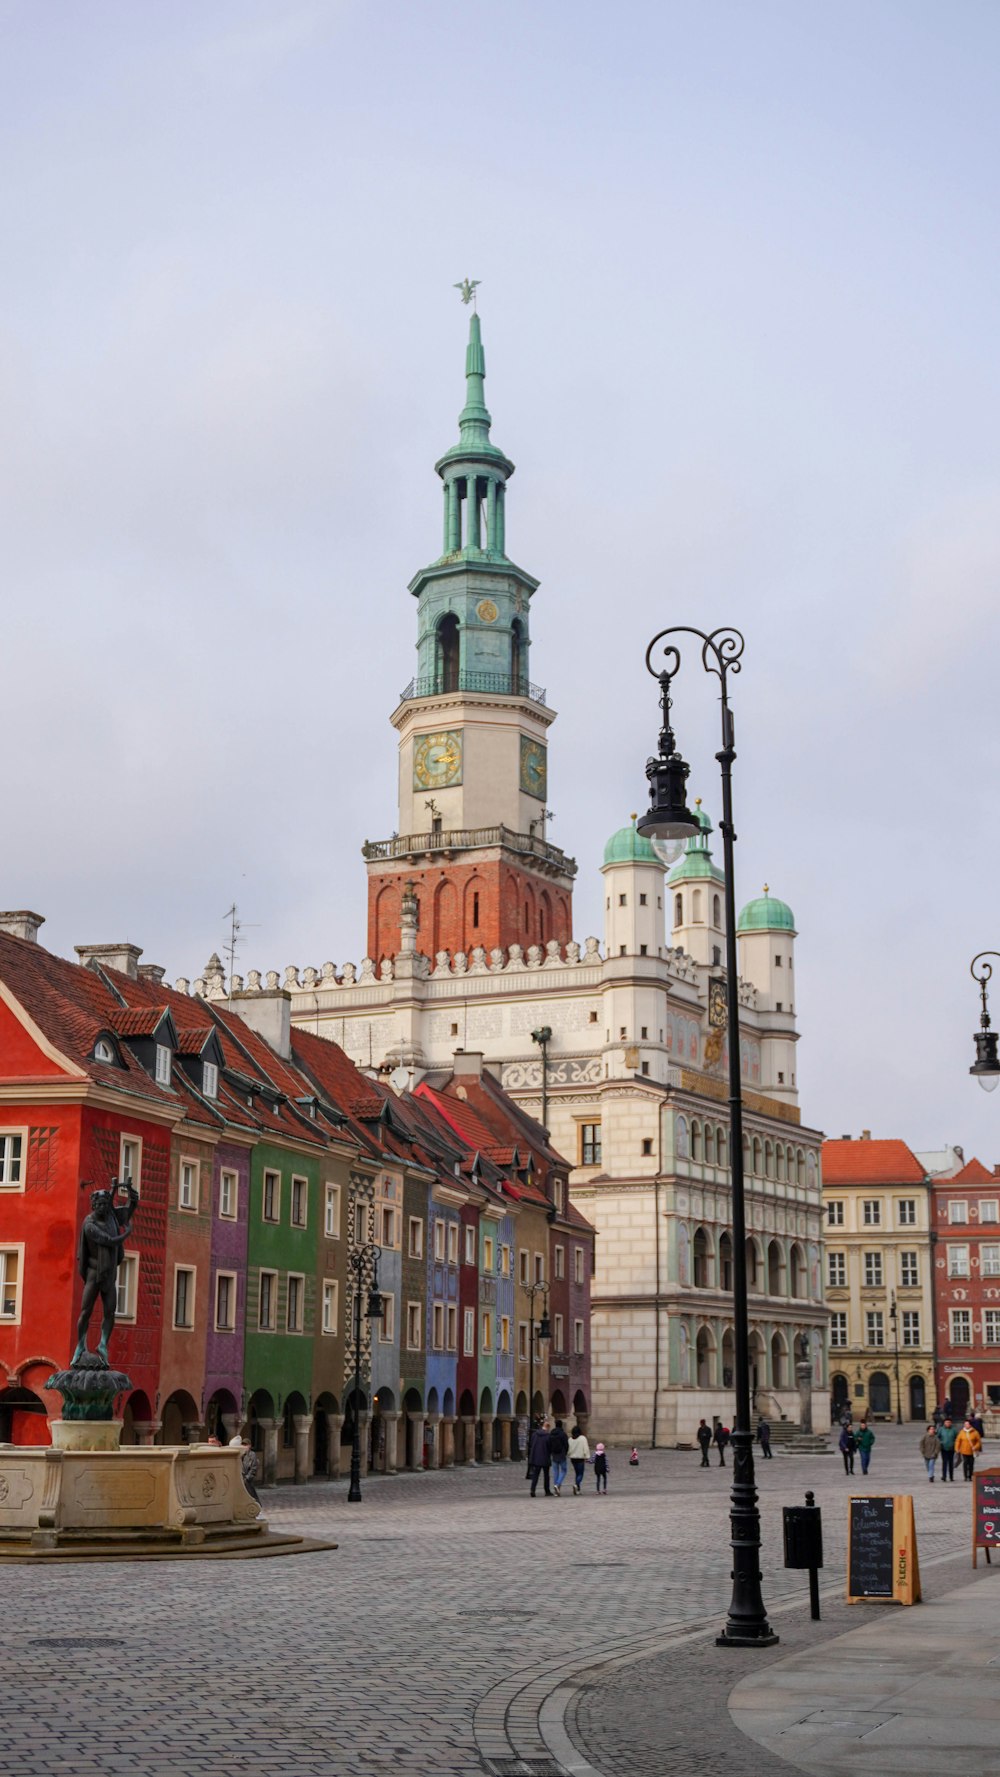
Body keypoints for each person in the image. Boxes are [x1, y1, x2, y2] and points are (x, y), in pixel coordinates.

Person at [230, 1433, 260, 1506]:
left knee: (251, 1495)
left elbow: (253, 1468)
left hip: (248, 1480)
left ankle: (256, 1506)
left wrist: (247, 1479)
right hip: (240, 1479)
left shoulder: (252, 1455)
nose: (244, 1446)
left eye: (246, 1445)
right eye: (243, 1444)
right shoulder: (240, 1454)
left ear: (250, 1446)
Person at [528, 1419, 553, 1497]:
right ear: (548, 1427)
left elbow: (531, 1444)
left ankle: (532, 1489)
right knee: (546, 1475)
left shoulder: (535, 1434)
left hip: (536, 1457)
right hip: (545, 1457)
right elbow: (550, 1447)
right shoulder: (548, 1436)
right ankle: (547, 1490)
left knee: (536, 1475)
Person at [956, 1417, 982, 1482]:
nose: (966, 1425)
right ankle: (965, 1476)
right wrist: (957, 1448)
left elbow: (978, 1441)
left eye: (967, 1424)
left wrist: (975, 1447)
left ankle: (970, 1476)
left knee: (971, 1464)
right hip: (964, 1451)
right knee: (965, 1463)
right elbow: (958, 1441)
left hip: (972, 1451)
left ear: (970, 1425)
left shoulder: (975, 1432)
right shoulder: (961, 1432)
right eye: (965, 1424)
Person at [568, 1423, 591, 1494]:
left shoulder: (570, 1439)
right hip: (580, 1458)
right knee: (580, 1474)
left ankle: (578, 1489)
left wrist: (569, 1454)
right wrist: (587, 1456)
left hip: (573, 1458)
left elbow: (568, 1449)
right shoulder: (582, 1438)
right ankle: (576, 1484)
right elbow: (586, 1448)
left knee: (577, 1473)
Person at [548, 1419, 569, 1495]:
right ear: (561, 1425)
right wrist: (565, 1452)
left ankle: (556, 1491)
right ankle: (557, 1484)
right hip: (562, 1455)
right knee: (564, 1470)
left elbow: (549, 1444)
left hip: (554, 1455)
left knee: (555, 1472)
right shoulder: (563, 1434)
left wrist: (551, 1452)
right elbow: (566, 1445)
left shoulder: (551, 1433)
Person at [938, 1416, 958, 1482]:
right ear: (944, 1423)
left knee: (951, 1463)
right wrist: (940, 1442)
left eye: (949, 1422)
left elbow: (957, 1438)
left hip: (951, 1448)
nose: (948, 1423)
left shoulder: (954, 1430)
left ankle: (951, 1477)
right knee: (944, 1463)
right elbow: (937, 1437)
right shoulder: (941, 1429)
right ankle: (944, 1476)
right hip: (943, 1448)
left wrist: (955, 1444)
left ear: (951, 1423)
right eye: (946, 1422)